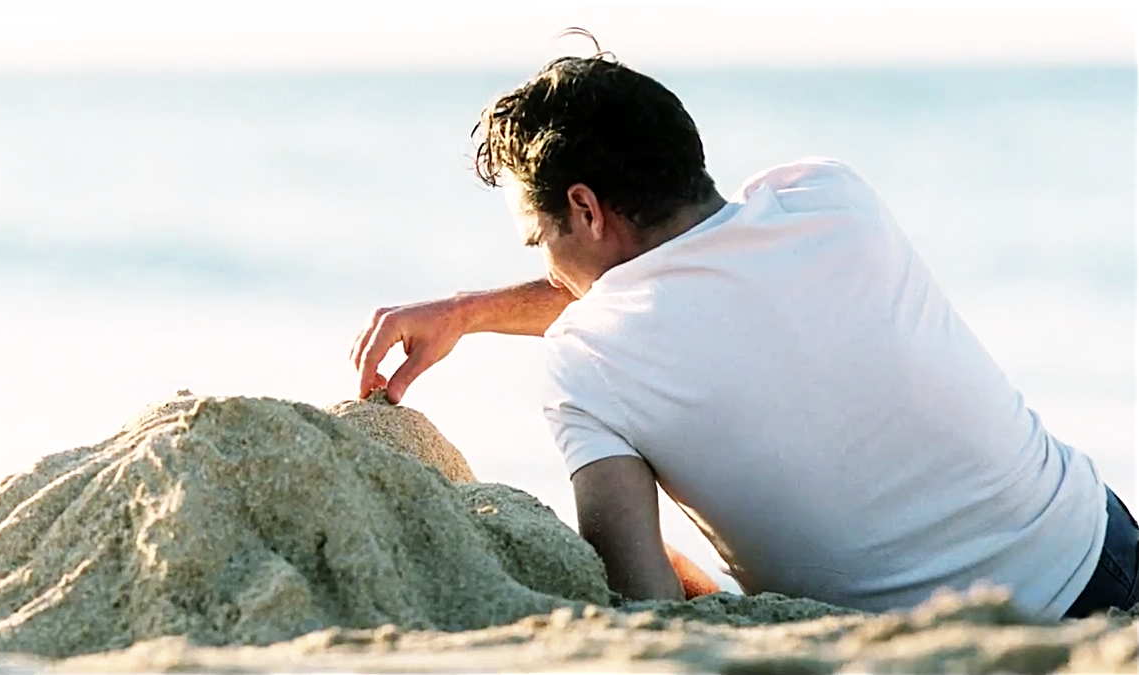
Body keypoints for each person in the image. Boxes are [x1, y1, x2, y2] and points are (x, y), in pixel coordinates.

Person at [347, 45, 1135, 621]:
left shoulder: (584, 366)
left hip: (933, 642)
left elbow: (645, 597)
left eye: (537, 238)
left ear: (584, 208)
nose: (545, 263)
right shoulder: (830, 197)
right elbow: (684, 288)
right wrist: (467, 312)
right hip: (1103, 552)